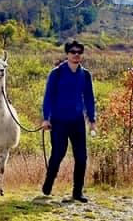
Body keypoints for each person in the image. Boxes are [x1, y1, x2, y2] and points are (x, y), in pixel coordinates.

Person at [40, 39, 96, 203]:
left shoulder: (85, 75)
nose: (76, 55)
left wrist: (92, 120)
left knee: (81, 157)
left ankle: (77, 192)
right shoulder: (56, 73)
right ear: (67, 54)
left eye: (79, 52)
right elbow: (48, 97)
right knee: (58, 154)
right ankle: (48, 183)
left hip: (77, 121)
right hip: (58, 121)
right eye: (73, 52)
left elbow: (89, 99)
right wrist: (46, 118)